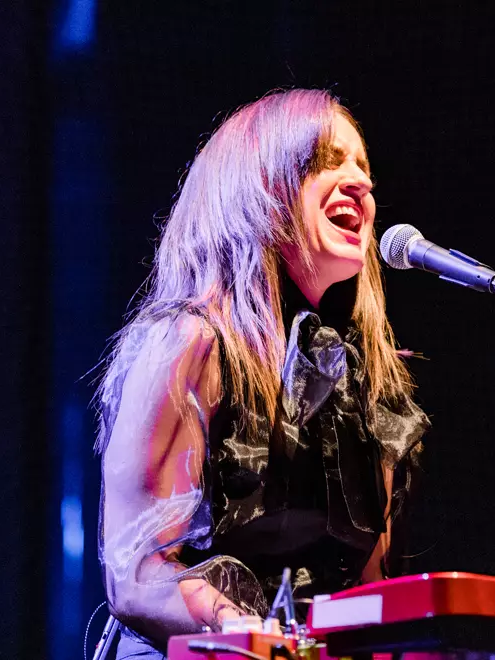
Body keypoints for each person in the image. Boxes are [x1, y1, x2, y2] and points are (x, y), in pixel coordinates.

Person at [94, 89, 429, 659]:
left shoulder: (374, 386)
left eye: (364, 167)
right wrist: (258, 638)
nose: (361, 183)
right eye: (327, 160)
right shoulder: (190, 344)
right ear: (257, 190)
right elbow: (137, 571)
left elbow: (369, 594)